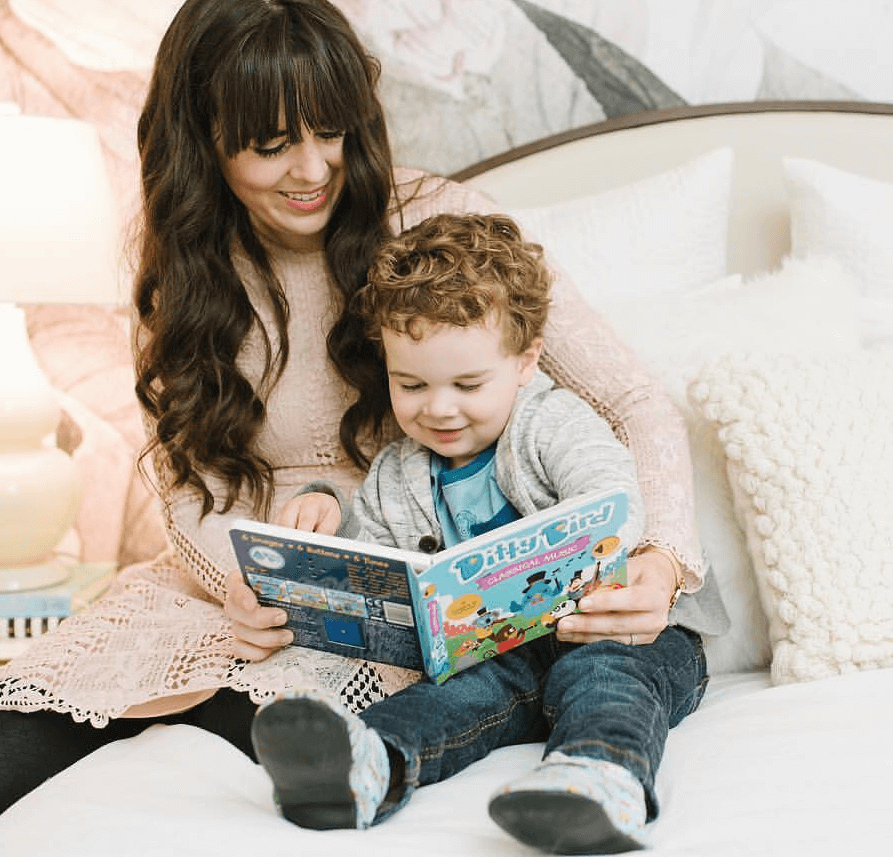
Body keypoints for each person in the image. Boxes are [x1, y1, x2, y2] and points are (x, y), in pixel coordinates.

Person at [0, 0, 726, 857]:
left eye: (331, 129)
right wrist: (244, 589)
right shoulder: (180, 263)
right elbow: (193, 489)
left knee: (216, 771)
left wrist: (659, 559)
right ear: (205, 143)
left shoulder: (443, 233)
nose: (312, 168)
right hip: (243, 592)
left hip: (409, 607)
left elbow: (633, 401)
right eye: (270, 143)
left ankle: (359, 758)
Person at [249, 212, 694, 853]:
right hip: (498, 655)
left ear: (525, 362)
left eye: (468, 384)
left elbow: (612, 495)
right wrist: (321, 528)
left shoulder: (552, 423)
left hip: (622, 635)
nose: (439, 407)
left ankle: (599, 780)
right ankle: (364, 764)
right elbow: (377, 572)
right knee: (453, 695)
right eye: (411, 384)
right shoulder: (394, 474)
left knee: (603, 679)